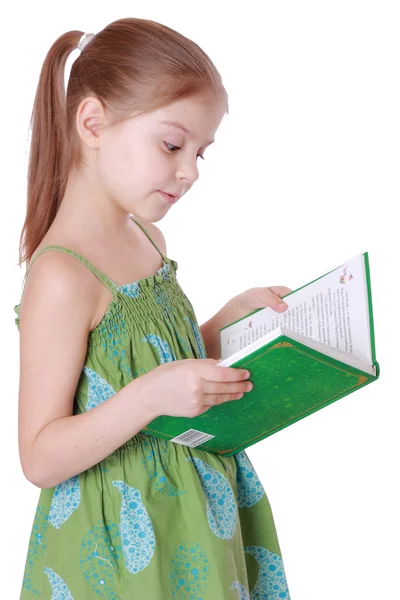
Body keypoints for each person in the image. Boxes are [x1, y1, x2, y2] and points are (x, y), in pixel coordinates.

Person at [13, 18, 292, 599]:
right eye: (172, 145)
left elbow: (156, 364)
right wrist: (148, 399)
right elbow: (39, 455)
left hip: (191, 515)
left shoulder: (147, 239)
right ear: (93, 123)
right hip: (116, 545)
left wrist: (227, 321)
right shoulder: (62, 275)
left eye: (200, 153)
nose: (189, 171)